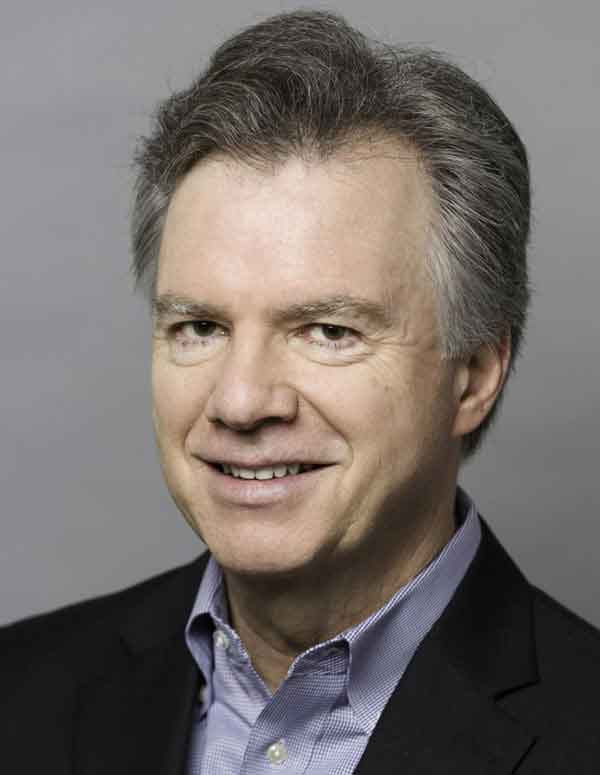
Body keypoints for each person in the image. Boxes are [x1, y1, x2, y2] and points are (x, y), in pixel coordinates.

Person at [3, 9, 599, 774]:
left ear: (475, 374)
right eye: (199, 326)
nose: (241, 401)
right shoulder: (19, 691)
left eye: (327, 331)